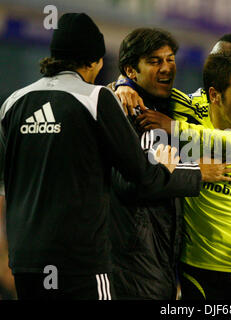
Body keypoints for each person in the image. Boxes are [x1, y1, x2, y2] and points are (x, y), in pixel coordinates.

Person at [0, 13, 178, 300]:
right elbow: (141, 173)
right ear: (95, 61)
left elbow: (5, 183)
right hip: (80, 263)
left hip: (26, 262)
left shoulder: (12, 103)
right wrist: (165, 167)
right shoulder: (94, 99)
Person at [109, 28, 231, 300]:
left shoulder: (168, 107)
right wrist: (196, 173)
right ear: (132, 70)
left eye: (170, 59)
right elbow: (131, 185)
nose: (167, 68)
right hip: (133, 268)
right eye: (155, 62)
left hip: (160, 265)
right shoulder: (128, 112)